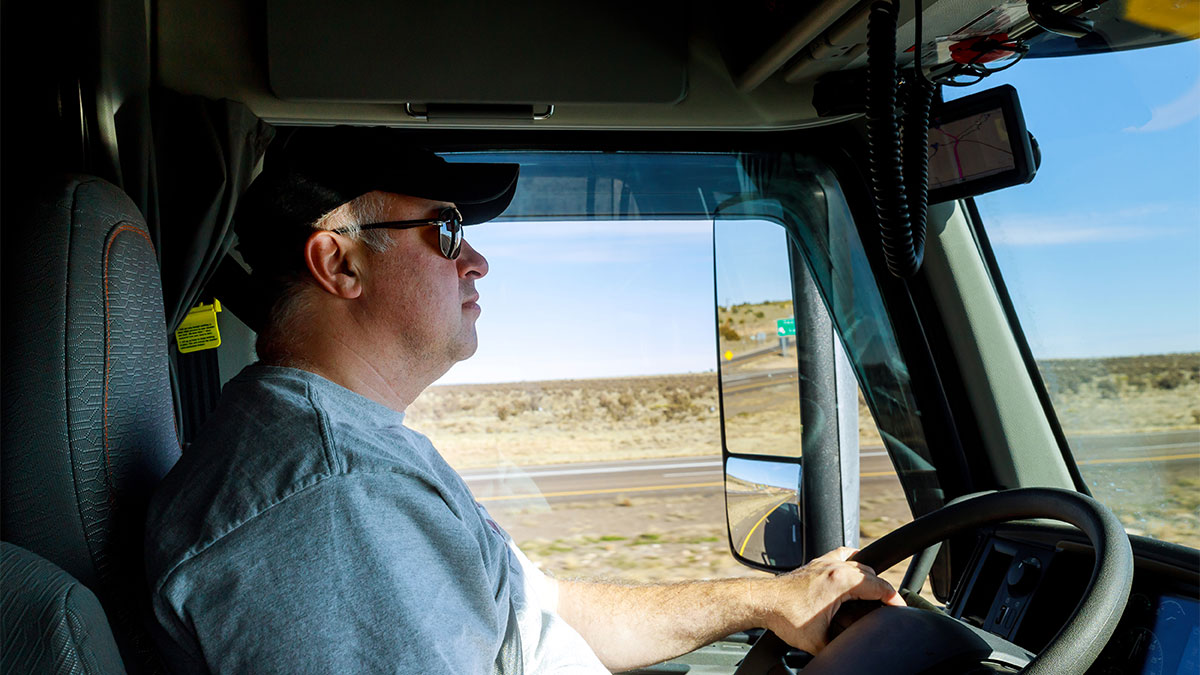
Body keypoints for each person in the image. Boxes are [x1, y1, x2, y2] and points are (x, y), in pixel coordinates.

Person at [144, 127, 904, 674]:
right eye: (444, 231)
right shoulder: (329, 501)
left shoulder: (357, 448)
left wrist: (766, 601)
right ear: (338, 262)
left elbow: (538, 618)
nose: (477, 258)